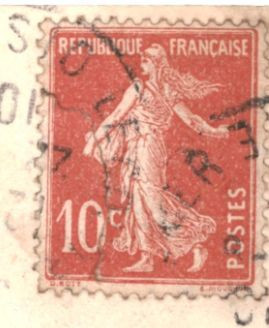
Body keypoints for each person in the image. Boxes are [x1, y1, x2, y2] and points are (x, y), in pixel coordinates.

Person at [83, 45, 230, 274]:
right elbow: (117, 117)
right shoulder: (157, 89)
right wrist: (214, 131)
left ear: (157, 63)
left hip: (147, 148)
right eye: (142, 58)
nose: (142, 62)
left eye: (147, 59)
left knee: (153, 203)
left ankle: (194, 243)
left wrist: (215, 131)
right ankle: (146, 257)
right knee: (138, 201)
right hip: (141, 147)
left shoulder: (143, 88)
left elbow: (189, 119)